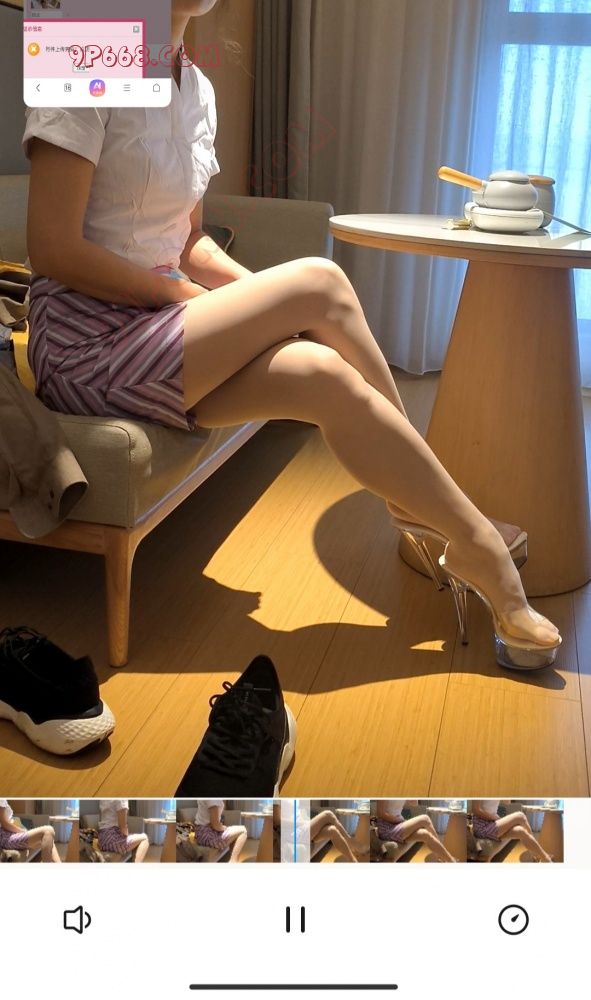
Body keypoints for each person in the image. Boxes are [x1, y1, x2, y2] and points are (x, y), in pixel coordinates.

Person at [22, 0, 560, 669]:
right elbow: (50, 247)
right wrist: (229, 299)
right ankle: (471, 541)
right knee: (319, 280)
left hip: (157, 327)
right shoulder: (82, 47)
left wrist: (263, 304)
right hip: (84, 340)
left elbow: (188, 244)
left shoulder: (198, 89)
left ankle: (433, 515)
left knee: (319, 371)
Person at [376, 800, 457, 862]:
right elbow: (381, 814)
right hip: (386, 828)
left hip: (398, 824)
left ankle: (448, 859)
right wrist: (399, 820)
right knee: (425, 819)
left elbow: (414, 803)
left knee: (425, 834)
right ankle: (449, 860)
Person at [471, 800, 552, 862]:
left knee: (520, 831)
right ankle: (545, 858)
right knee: (520, 816)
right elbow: (476, 810)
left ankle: (538, 855)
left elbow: (507, 802)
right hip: (481, 827)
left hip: (492, 823)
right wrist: (496, 819)